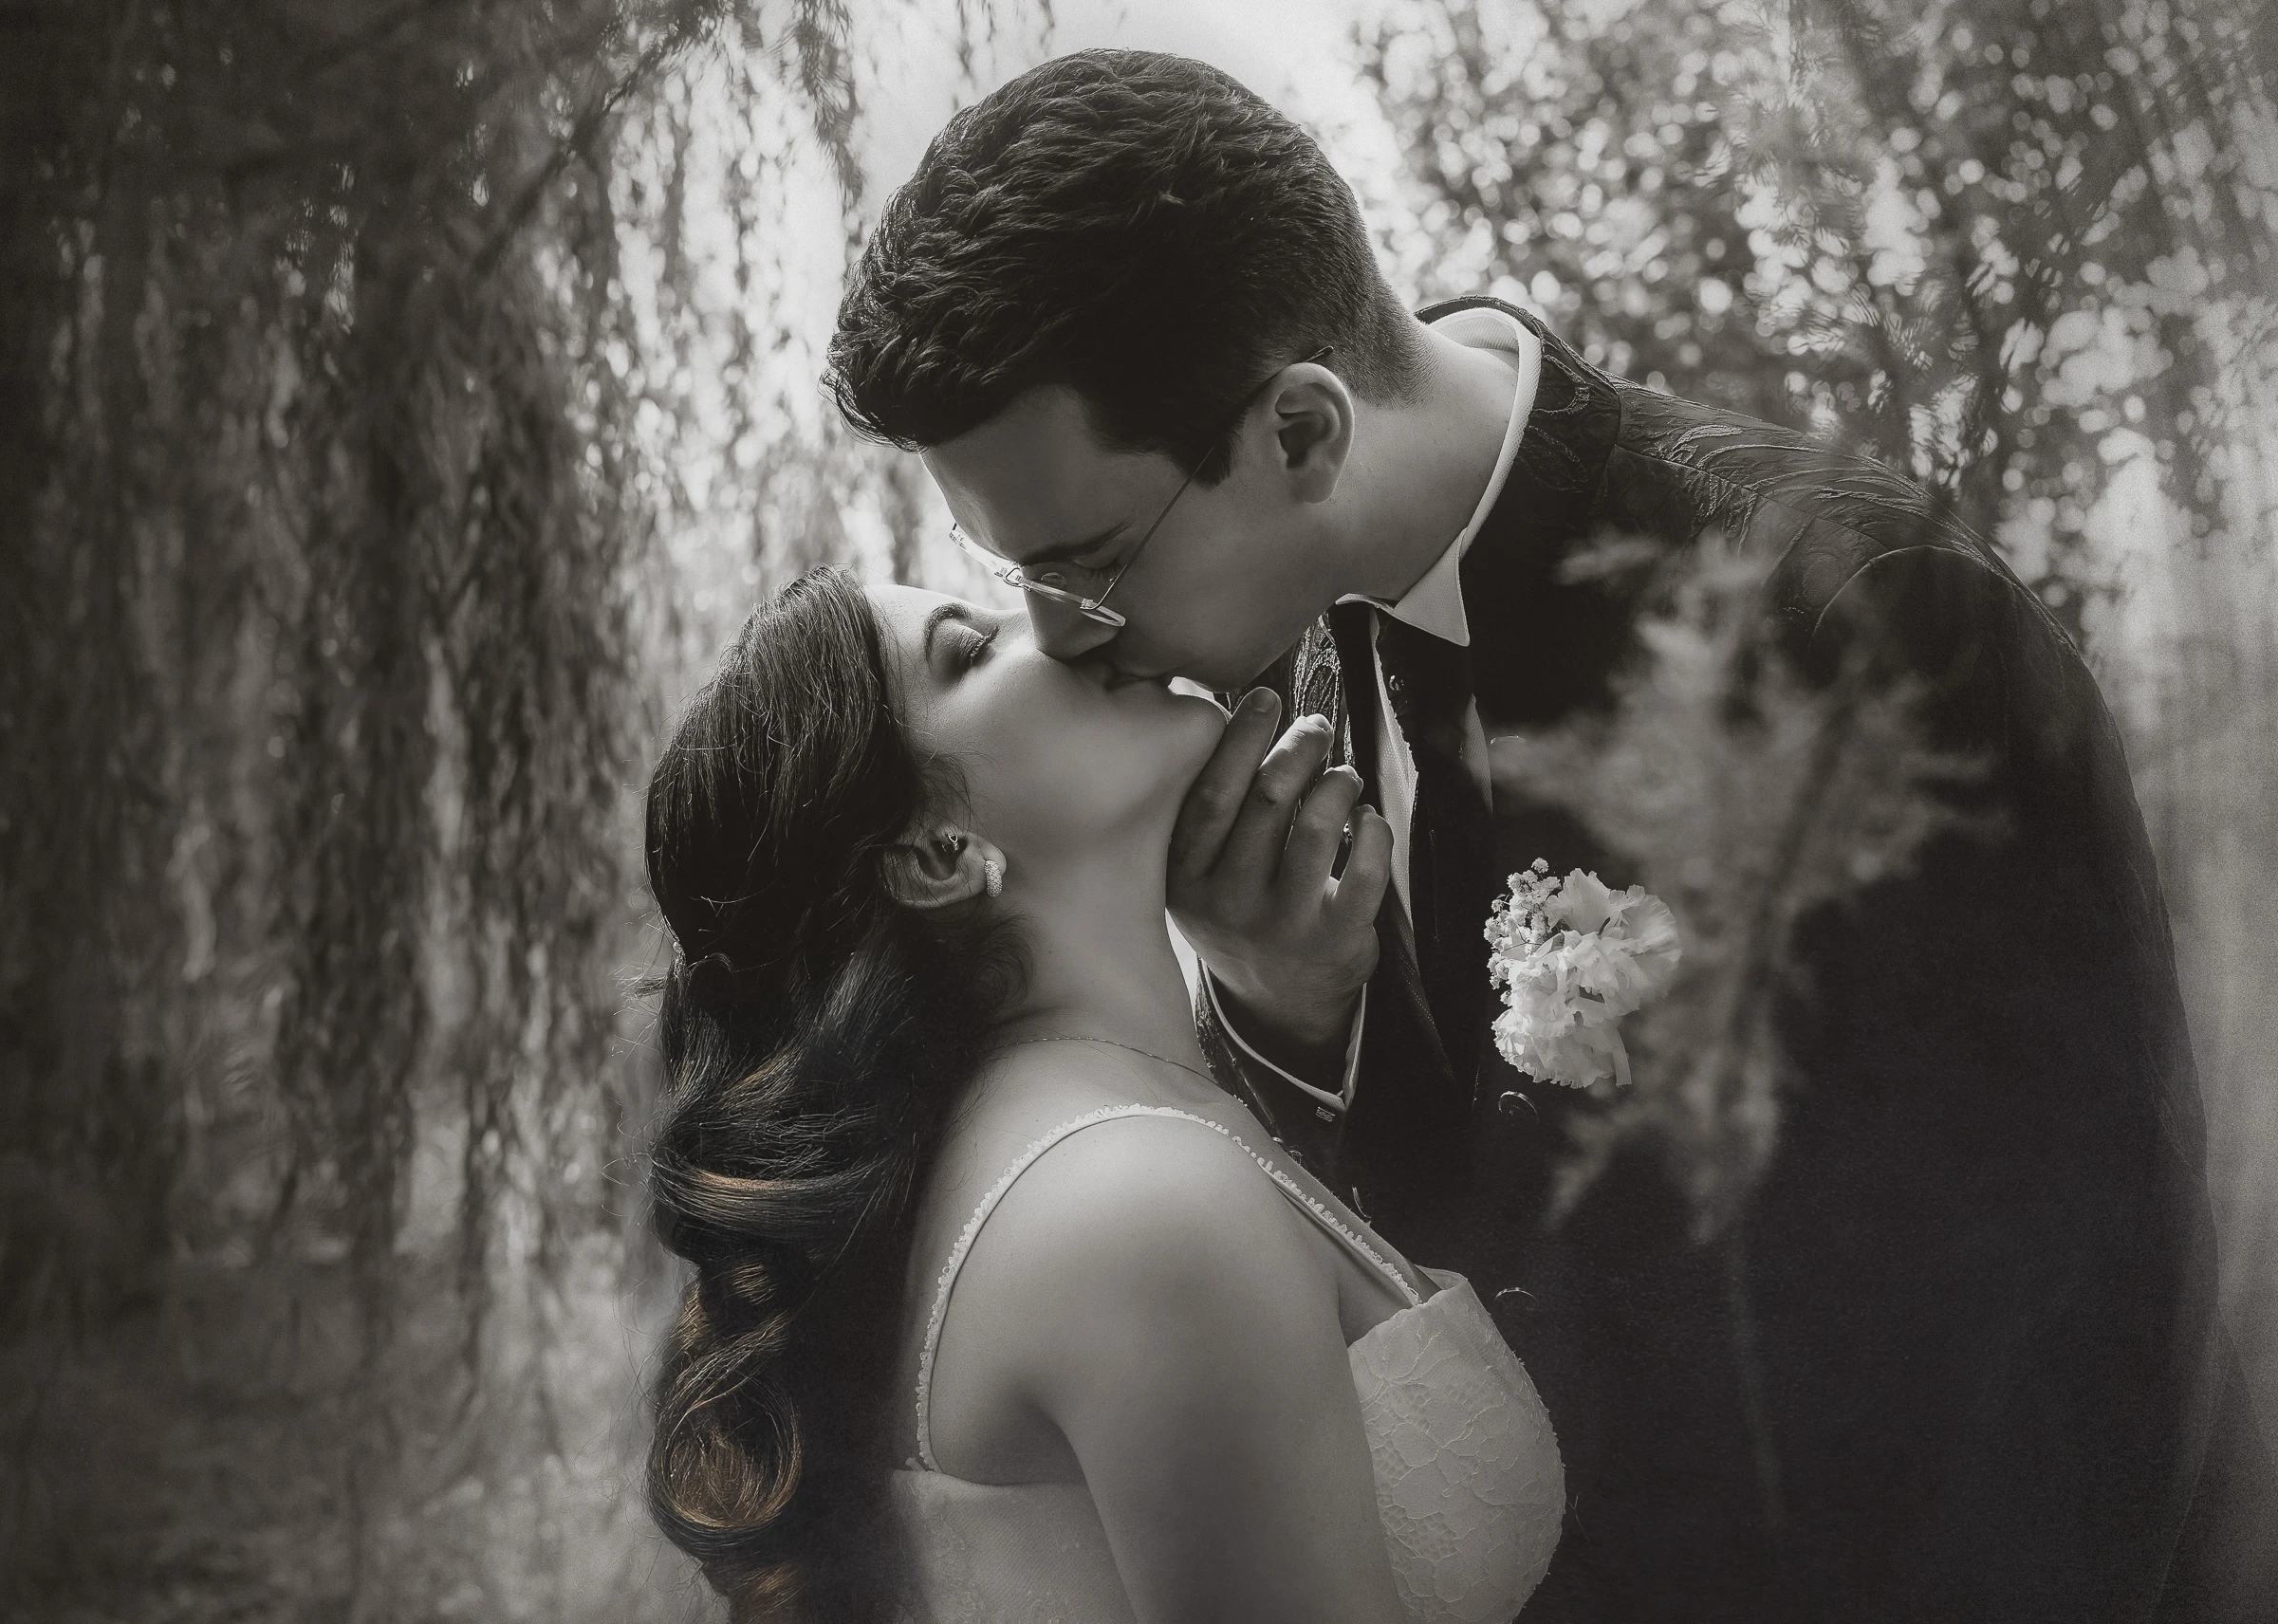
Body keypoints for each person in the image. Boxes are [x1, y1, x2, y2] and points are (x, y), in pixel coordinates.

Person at [824, 47, 2272, 1623]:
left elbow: (2069, 1354)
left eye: (1090, 561)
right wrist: (1288, 1020)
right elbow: (1396, 1312)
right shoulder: (1258, 671)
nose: (1063, 637)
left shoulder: (1860, 625)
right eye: (1021, 576)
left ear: (1302, 434)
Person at [641, 567, 1564, 1622]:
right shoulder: (1135, 1205)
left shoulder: (1068, 1143)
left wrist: (1283, 1005)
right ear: (940, 854)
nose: (1064, 620)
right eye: (969, 649)